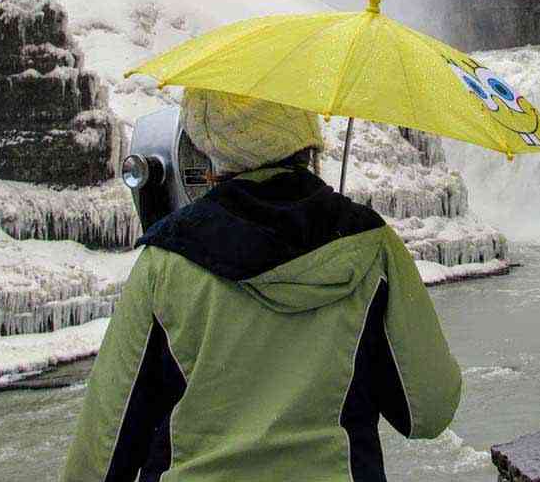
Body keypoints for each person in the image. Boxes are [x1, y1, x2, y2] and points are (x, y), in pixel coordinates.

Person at [61, 89, 462, 482]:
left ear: (208, 146)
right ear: (305, 138)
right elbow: (428, 410)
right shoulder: (373, 247)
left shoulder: (166, 261)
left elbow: (104, 448)